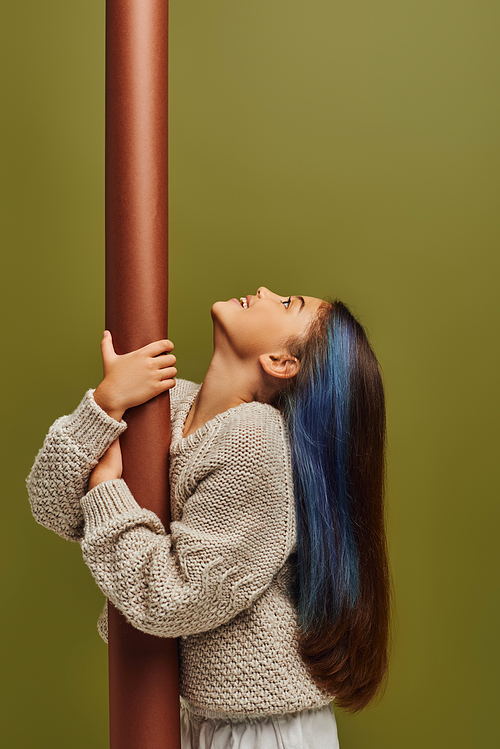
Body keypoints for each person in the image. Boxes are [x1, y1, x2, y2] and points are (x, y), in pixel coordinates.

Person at [27, 286, 390, 749]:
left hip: (261, 731)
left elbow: (172, 597)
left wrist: (105, 491)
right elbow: (51, 502)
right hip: (201, 717)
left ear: (281, 362)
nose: (264, 290)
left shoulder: (254, 442)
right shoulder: (170, 404)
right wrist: (105, 404)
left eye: (286, 304)